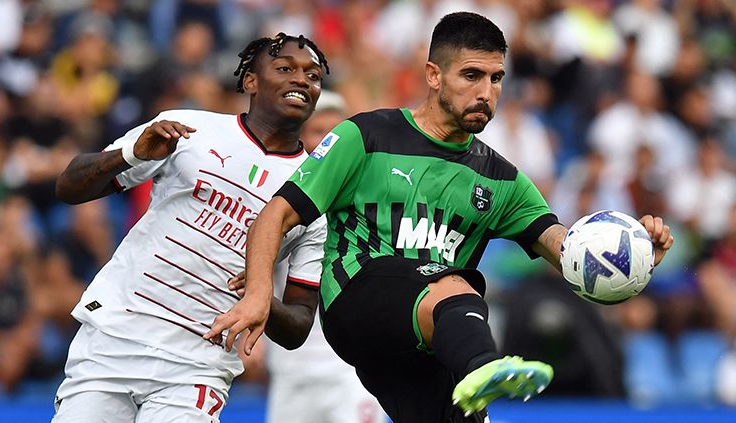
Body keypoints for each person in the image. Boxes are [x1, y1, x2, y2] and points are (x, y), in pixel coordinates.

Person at [206, 12, 674, 423]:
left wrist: (630, 256)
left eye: (495, 79)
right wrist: (257, 293)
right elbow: (277, 214)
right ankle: (485, 367)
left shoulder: (503, 180)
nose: (486, 92)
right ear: (433, 75)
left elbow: (569, 252)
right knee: (452, 285)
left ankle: (473, 376)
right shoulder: (366, 136)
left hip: (427, 345)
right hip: (357, 301)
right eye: (471, 75)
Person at [51, 32, 330, 422]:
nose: (302, 79)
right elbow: (69, 187)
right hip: (114, 336)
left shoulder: (316, 191)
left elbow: (298, 325)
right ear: (250, 80)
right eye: (285, 69)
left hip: (199, 365)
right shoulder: (188, 129)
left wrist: (260, 294)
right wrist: (130, 155)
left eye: (313, 76)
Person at [229, 90, 387, 423]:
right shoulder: (274, 203)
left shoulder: (373, 199)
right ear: (299, 138)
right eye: (319, 132)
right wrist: (250, 337)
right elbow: (248, 271)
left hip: (351, 370)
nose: (330, 143)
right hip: (290, 370)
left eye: (337, 133)